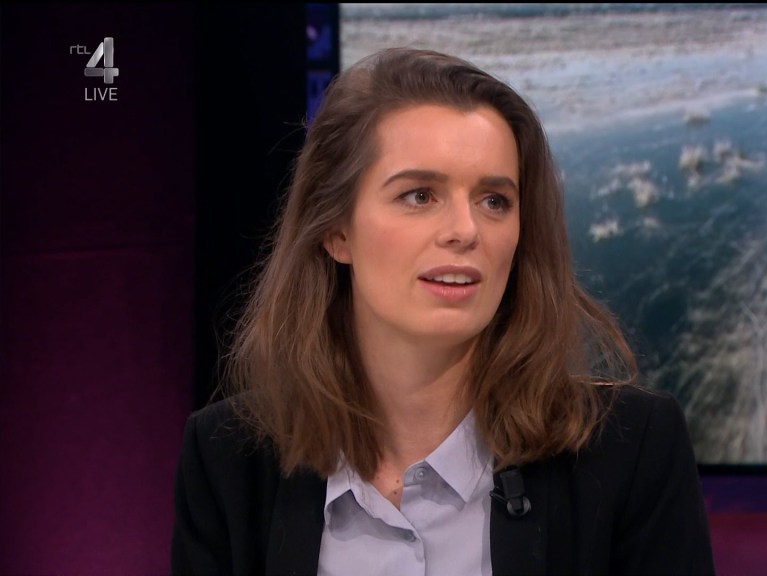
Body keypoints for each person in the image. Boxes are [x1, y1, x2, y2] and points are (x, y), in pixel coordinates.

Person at [170, 47, 716, 575]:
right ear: (336, 230)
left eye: (494, 200)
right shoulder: (229, 462)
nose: (465, 230)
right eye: (420, 195)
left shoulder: (629, 451)